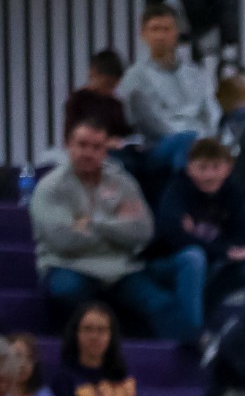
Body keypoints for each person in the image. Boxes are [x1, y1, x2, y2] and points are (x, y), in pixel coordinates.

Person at [32, 119, 203, 344]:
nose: (88, 153)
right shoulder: (50, 187)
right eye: (82, 145)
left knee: (161, 302)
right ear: (68, 146)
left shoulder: (122, 182)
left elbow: (143, 231)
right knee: (66, 289)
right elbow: (63, 240)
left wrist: (91, 223)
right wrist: (117, 227)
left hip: (120, 269)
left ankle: (185, 359)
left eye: (96, 147)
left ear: (106, 150)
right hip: (70, 265)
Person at [153, 138, 245, 332]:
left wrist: (224, 250)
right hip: (172, 263)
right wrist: (225, 250)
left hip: (216, 263)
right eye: (202, 167)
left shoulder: (233, 192)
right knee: (193, 257)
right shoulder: (178, 190)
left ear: (228, 168)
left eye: (216, 167)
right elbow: (173, 236)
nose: (209, 175)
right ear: (189, 168)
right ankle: (192, 334)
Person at [118, 4, 219, 177]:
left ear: (177, 33)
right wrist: (191, 138)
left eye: (166, 29)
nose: (160, 36)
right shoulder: (134, 77)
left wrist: (208, 138)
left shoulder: (195, 73)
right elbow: (148, 123)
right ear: (143, 34)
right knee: (185, 144)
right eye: (154, 29)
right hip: (159, 146)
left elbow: (211, 110)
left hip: (201, 139)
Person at [64, 51, 135, 146]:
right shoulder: (78, 100)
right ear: (93, 73)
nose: (111, 89)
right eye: (108, 83)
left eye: (115, 85)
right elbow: (70, 138)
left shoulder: (115, 104)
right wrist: (104, 143)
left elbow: (125, 133)